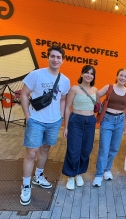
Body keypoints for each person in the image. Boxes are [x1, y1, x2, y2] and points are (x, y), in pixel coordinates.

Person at [20, 46, 70, 205]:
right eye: (53, 56)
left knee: (45, 149)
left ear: (63, 60)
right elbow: (23, 93)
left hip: (53, 122)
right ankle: (26, 185)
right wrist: (28, 116)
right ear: (48, 57)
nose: (56, 59)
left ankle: (38, 176)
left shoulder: (65, 80)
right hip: (36, 120)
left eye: (59, 57)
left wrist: (60, 116)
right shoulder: (36, 75)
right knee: (31, 153)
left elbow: (62, 99)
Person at [92, 68, 126, 187]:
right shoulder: (109, 87)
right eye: (121, 75)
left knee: (114, 148)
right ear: (116, 75)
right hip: (107, 119)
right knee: (104, 148)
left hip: (120, 120)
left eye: (125, 76)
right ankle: (99, 174)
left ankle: (107, 170)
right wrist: (100, 105)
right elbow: (96, 94)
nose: (123, 78)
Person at [62, 65, 99, 190]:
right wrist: (66, 127)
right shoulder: (74, 89)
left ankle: (78, 173)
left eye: (91, 73)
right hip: (76, 120)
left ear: (93, 76)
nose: (89, 75)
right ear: (82, 74)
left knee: (86, 150)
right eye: (86, 73)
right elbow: (67, 108)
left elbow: (97, 105)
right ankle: (71, 176)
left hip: (90, 122)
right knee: (73, 149)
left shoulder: (95, 90)